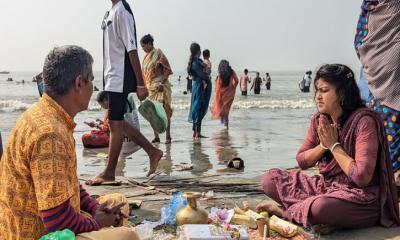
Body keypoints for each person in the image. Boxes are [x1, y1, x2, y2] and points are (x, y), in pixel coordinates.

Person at [0, 46, 140, 240]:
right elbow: (56, 221)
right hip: (40, 235)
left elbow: (71, 184)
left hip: (54, 224)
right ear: (79, 83)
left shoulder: (47, 116)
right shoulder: (50, 134)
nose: (93, 87)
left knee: (118, 202)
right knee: (127, 235)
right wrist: (97, 222)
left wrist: (95, 208)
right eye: (91, 80)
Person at [257, 64, 399, 230]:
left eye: (324, 90)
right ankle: (310, 212)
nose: (318, 96)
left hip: (362, 199)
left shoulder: (364, 122)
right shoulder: (320, 120)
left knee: (321, 207)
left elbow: (361, 177)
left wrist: (334, 146)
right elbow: (302, 160)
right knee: (269, 179)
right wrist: (324, 145)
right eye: (317, 90)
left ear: (342, 93)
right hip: (326, 188)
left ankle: (286, 212)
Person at [88, 0, 163, 185]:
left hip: (120, 75)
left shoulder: (123, 11)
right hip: (112, 75)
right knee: (117, 122)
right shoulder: (111, 11)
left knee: (115, 124)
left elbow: (132, 49)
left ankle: (109, 172)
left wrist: (141, 83)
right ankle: (152, 152)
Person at [354, 0, 400, 175]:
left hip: (389, 75)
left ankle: (390, 178)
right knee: (379, 126)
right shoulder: (370, 9)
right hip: (375, 75)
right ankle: (387, 178)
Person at [140, 34, 173, 144]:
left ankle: (168, 136)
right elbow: (144, 75)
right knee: (151, 111)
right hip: (150, 87)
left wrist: (162, 84)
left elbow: (167, 70)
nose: (143, 49)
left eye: (144, 46)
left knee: (164, 110)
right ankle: (156, 136)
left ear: (150, 43)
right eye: (142, 47)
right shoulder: (145, 58)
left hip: (160, 86)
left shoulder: (158, 53)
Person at [188, 42, 212, 140]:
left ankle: (197, 132)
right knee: (198, 109)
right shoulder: (195, 63)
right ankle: (197, 133)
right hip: (199, 87)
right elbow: (203, 75)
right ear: (198, 51)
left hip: (198, 86)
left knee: (198, 108)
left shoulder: (197, 61)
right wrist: (207, 77)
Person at [211, 60, 239, 129]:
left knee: (221, 108)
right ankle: (226, 125)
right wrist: (233, 87)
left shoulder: (220, 74)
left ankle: (224, 124)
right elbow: (237, 81)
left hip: (222, 94)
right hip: (230, 94)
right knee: (227, 109)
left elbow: (218, 86)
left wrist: (217, 94)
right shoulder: (231, 71)